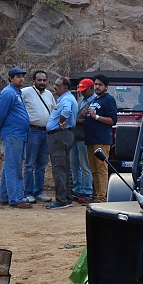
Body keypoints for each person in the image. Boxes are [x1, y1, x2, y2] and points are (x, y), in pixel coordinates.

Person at [0, 67, 31, 208]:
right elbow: (1, 114)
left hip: (18, 133)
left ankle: (5, 197)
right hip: (12, 133)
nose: (21, 79)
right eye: (18, 76)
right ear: (10, 78)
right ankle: (15, 199)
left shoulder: (16, 93)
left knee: (9, 165)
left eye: (22, 76)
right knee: (14, 166)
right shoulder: (8, 93)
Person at [21, 70, 56, 203]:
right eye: (39, 80)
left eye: (44, 80)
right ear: (33, 81)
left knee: (42, 164)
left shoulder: (49, 94)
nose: (42, 82)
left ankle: (39, 192)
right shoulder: (26, 92)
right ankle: (28, 193)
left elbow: (53, 111)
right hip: (32, 131)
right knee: (29, 164)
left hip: (46, 132)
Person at [82, 74, 117, 203]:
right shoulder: (94, 100)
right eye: (95, 84)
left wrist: (96, 116)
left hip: (102, 140)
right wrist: (87, 115)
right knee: (94, 170)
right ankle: (96, 195)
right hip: (91, 139)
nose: (97, 87)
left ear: (106, 87)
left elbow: (113, 120)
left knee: (102, 169)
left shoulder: (108, 100)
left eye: (100, 85)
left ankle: (102, 197)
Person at [45, 77, 78, 209]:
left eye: (57, 85)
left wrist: (61, 121)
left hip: (59, 135)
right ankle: (67, 198)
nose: (55, 87)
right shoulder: (67, 98)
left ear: (65, 87)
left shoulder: (66, 99)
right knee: (64, 167)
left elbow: (66, 111)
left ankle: (61, 200)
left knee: (58, 168)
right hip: (65, 135)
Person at [70, 78, 95, 204]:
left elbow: (92, 121)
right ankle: (77, 190)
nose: (82, 93)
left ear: (91, 88)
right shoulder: (81, 100)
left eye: (84, 90)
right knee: (75, 165)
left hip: (84, 137)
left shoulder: (95, 101)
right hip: (76, 135)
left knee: (85, 166)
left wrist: (76, 120)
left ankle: (87, 191)